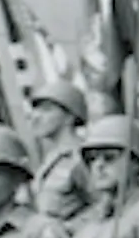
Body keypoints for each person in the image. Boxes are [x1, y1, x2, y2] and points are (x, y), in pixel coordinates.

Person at [28, 78, 93, 223]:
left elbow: (104, 207)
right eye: (35, 110)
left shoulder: (82, 156)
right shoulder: (50, 159)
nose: (35, 117)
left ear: (69, 117)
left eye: (46, 110)